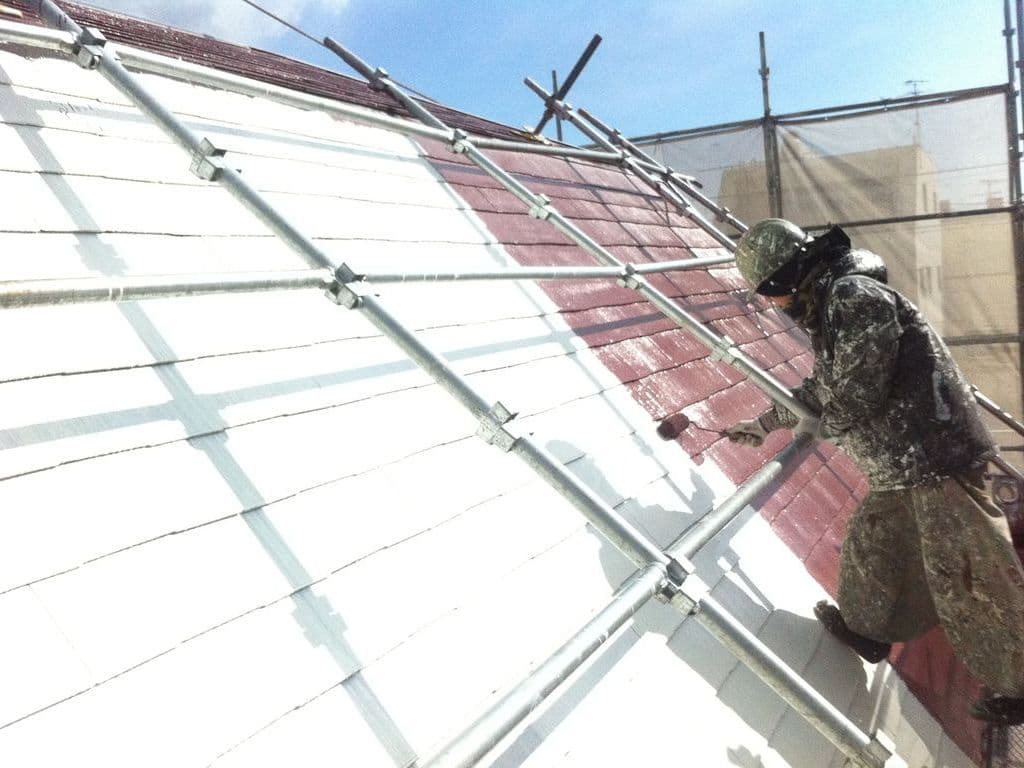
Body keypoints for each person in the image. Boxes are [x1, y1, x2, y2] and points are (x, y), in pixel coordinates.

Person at [724, 218, 1024, 725]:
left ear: (786, 279)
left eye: (771, 295)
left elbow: (858, 392)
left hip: (935, 459)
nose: (773, 306)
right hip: (902, 467)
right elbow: (823, 388)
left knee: (972, 574)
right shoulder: (833, 310)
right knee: (874, 545)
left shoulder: (854, 297)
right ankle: (869, 630)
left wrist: (818, 425)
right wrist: (766, 422)